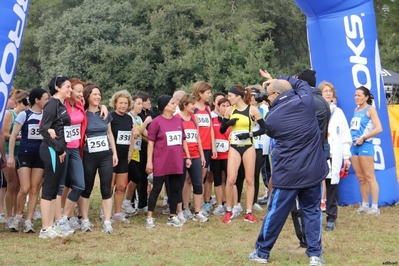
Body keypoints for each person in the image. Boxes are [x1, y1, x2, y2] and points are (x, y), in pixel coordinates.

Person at [249, 75, 328, 266]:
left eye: (268, 95)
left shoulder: (273, 117)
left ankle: (262, 252)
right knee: (312, 211)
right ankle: (315, 255)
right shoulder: (306, 100)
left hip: (288, 173)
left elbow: (271, 131)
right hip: (312, 170)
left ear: (276, 94)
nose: (266, 98)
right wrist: (278, 78)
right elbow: (300, 82)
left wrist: (262, 115)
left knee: (276, 212)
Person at [145, 95, 191, 228]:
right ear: (165, 106)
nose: (175, 105)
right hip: (161, 161)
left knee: (175, 189)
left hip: (176, 161)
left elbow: (183, 140)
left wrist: (187, 157)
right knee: (157, 189)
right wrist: (149, 162)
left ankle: (172, 215)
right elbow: (151, 143)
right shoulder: (156, 122)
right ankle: (149, 217)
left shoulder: (178, 121)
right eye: (172, 103)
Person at [220, 85, 265, 224]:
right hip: (234, 146)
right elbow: (222, 130)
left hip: (248, 146)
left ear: (238, 96)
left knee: (250, 180)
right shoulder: (229, 110)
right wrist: (228, 123)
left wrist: (249, 133)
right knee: (230, 179)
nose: (229, 99)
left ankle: (249, 212)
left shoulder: (252, 109)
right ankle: (228, 210)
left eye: (231, 96)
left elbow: (264, 128)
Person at [6, 88, 48, 233]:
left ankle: (28, 221)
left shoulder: (46, 115)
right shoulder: (25, 114)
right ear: (37, 100)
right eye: (45, 99)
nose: (47, 101)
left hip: (40, 156)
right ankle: (18, 217)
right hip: (24, 154)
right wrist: (11, 155)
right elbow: (12, 136)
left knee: (34, 188)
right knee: (24, 188)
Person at [80, 83, 118, 233]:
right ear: (87, 96)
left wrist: (114, 153)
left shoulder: (104, 113)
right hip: (89, 155)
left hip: (105, 155)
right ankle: (84, 220)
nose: (97, 97)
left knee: (106, 188)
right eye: (94, 94)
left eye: (99, 94)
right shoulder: (82, 114)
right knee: (87, 188)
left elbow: (109, 134)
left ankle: (107, 222)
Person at [38, 76, 72, 239]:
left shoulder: (61, 104)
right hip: (51, 150)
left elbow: (56, 128)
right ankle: (45, 229)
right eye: (67, 86)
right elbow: (43, 130)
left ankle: (51, 225)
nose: (70, 89)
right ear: (57, 88)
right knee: (49, 188)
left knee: (54, 189)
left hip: (59, 149)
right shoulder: (52, 103)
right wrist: (59, 149)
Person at [319, 81, 352, 230]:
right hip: (318, 152)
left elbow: (345, 136)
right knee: (315, 185)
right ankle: (315, 215)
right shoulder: (315, 110)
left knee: (332, 185)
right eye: (325, 91)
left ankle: (331, 217)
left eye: (330, 91)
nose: (328, 93)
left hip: (333, 153)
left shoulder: (338, 113)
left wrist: (346, 157)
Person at [350, 86, 382, 215]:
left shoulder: (371, 110)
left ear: (366, 97)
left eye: (359, 95)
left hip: (365, 146)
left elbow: (379, 128)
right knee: (360, 178)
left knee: (369, 177)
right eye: (355, 95)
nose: (356, 97)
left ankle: (375, 207)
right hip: (354, 147)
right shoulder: (356, 110)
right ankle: (364, 204)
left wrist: (363, 138)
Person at [176, 94, 207, 222]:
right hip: (182, 156)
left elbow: (198, 137)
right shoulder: (177, 118)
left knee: (198, 183)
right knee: (182, 182)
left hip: (195, 155)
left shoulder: (194, 118)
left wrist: (202, 155)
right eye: (192, 104)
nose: (194, 107)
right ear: (185, 105)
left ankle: (197, 212)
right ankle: (183, 209)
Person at [2, 90, 29, 227]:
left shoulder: (26, 115)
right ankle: (9, 215)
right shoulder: (9, 114)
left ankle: (18, 214)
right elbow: (5, 134)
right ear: (18, 102)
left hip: (23, 152)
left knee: (20, 186)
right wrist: (19, 137)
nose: (27, 105)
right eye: (25, 102)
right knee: (11, 184)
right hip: (9, 152)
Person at [109, 90, 135, 223]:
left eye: (125, 103)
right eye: (121, 103)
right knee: (110, 185)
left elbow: (132, 136)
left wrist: (131, 151)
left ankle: (117, 212)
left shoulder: (129, 118)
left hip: (124, 156)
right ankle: (105, 211)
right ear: (115, 103)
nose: (123, 106)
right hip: (111, 156)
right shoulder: (110, 116)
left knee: (121, 186)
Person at [191, 81, 217, 214]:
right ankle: (193, 205)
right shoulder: (193, 108)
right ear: (200, 93)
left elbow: (211, 128)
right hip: (195, 147)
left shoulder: (207, 108)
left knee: (202, 176)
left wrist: (213, 146)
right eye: (207, 93)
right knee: (192, 178)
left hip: (207, 147)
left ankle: (200, 204)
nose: (210, 95)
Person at [210, 97, 231, 215]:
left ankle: (230, 204)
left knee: (229, 180)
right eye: (223, 106)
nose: (225, 108)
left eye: (227, 105)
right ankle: (219, 205)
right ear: (218, 107)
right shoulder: (213, 119)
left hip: (229, 155)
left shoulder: (233, 119)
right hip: (216, 154)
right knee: (217, 180)